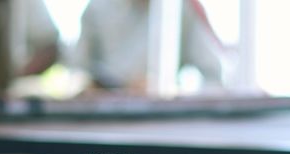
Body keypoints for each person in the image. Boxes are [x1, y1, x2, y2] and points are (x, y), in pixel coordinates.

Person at [79, 0, 225, 92]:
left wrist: (170, 89)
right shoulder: (96, 8)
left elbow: (214, 78)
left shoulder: (183, 9)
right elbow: (77, 73)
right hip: (105, 119)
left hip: (163, 119)